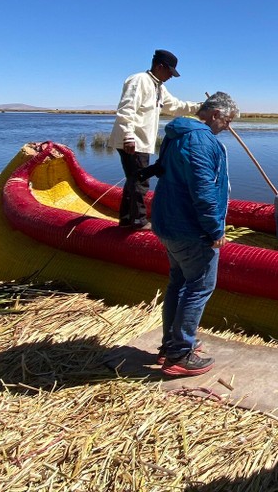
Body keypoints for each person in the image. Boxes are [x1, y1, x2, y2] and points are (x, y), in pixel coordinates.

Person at [150, 92, 238, 377]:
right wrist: (215, 230)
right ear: (215, 114)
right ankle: (179, 354)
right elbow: (203, 191)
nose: (227, 127)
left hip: (168, 224)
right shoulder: (200, 139)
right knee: (199, 286)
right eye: (227, 121)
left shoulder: (177, 134)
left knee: (179, 283)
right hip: (189, 229)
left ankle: (171, 343)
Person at [108, 49, 200, 228]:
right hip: (133, 141)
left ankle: (127, 219)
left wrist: (200, 107)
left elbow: (175, 106)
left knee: (134, 179)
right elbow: (127, 109)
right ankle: (138, 221)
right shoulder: (139, 80)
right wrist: (128, 137)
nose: (171, 77)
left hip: (141, 142)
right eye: (170, 72)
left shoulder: (158, 86)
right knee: (140, 181)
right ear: (159, 66)